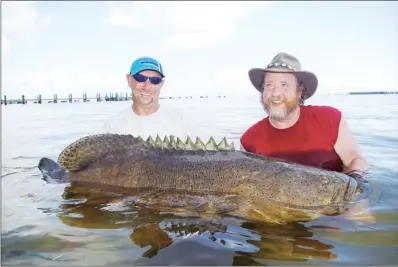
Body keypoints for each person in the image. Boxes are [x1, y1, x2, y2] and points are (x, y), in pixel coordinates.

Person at [240, 52, 369, 185]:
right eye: (269, 85)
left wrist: (355, 185)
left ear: (299, 92)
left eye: (284, 85)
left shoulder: (330, 119)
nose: (275, 93)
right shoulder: (248, 141)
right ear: (262, 92)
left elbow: (355, 160)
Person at [103, 56, 192, 140]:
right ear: (129, 79)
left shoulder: (182, 121)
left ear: (161, 84)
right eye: (140, 78)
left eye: (155, 80)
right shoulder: (113, 126)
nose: (147, 87)